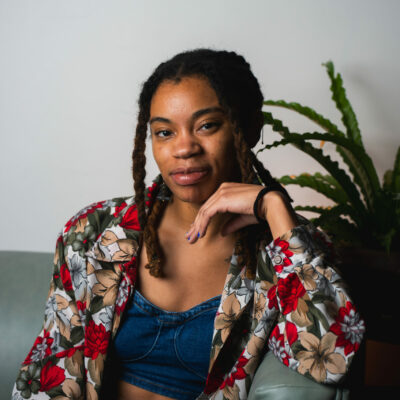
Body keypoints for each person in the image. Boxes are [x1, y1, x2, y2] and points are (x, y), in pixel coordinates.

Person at [12, 49, 365, 400]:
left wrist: (273, 206)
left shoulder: (284, 248)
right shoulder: (92, 233)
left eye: (207, 125)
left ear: (250, 127)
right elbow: (50, 370)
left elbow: (332, 362)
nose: (184, 148)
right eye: (164, 132)